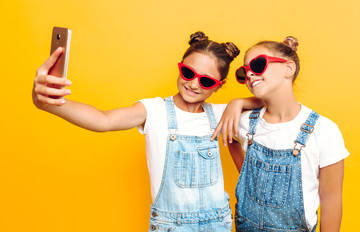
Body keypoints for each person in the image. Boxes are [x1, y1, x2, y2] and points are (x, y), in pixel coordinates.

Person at [32, 31, 262, 231]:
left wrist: (238, 103)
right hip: (171, 226)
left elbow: (273, 105)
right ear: (179, 66)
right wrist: (50, 103)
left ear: (220, 85)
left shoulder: (223, 114)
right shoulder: (153, 110)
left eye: (206, 81)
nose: (193, 85)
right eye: (188, 73)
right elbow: (103, 120)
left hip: (217, 224)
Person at [212, 36, 349, 232]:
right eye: (244, 72)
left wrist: (239, 102)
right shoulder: (244, 122)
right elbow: (230, 137)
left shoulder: (324, 131)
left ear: (288, 68)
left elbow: (332, 201)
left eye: (257, 65)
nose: (250, 74)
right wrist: (238, 102)